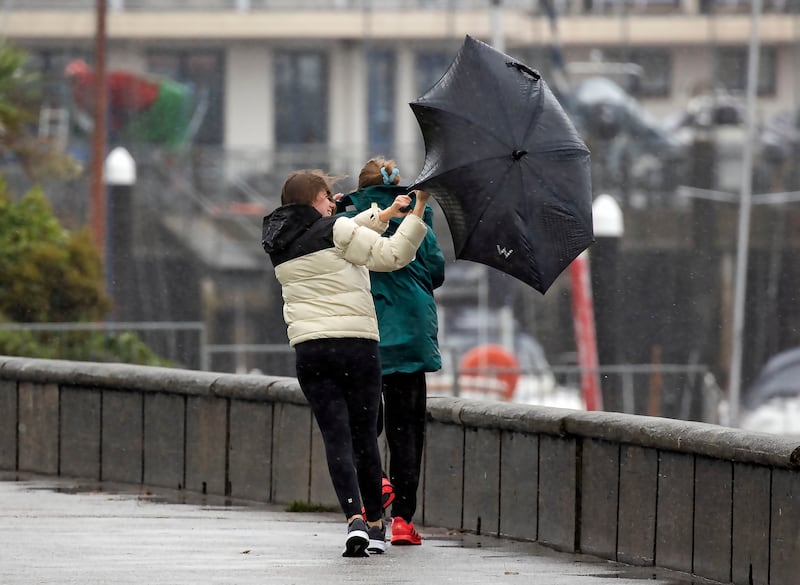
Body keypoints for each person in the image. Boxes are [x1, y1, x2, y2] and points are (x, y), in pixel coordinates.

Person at [261, 169, 430, 558]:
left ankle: (354, 519)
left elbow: (337, 231)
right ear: (313, 201)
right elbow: (392, 255)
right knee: (363, 436)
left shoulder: (280, 242)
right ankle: (375, 525)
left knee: (336, 437)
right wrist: (418, 209)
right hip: (355, 346)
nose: (334, 202)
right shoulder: (335, 229)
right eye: (327, 197)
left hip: (311, 352)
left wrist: (385, 213)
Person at [337, 157, 445, 546]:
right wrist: (423, 217)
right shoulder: (417, 220)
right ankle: (402, 520)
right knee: (406, 432)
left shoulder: (349, 222)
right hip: (411, 336)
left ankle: (375, 493)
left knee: (364, 425)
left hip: (366, 334)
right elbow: (436, 274)